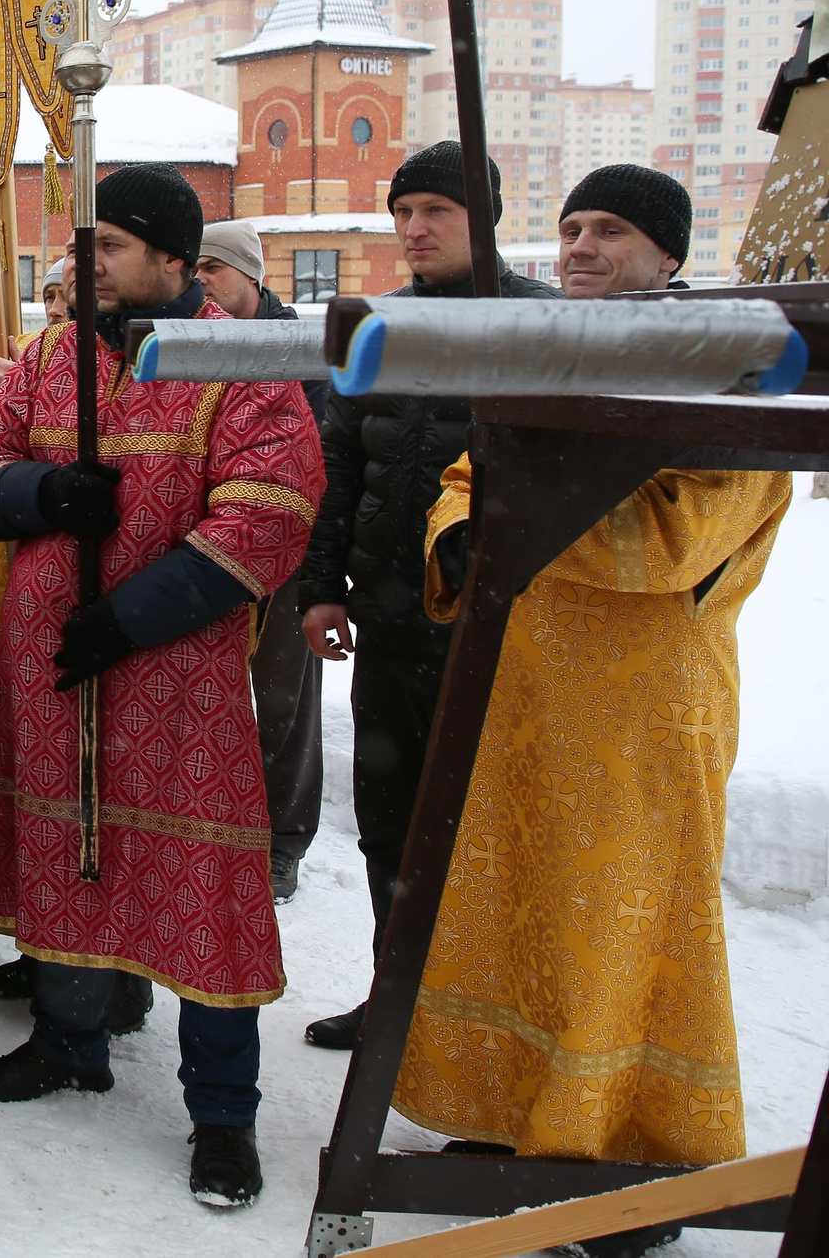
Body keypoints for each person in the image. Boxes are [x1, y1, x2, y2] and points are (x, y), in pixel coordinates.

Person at [392, 167, 784, 1251]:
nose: (577, 247)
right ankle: (502, 1117)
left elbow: (673, 542)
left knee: (616, 928)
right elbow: (474, 472)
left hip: (641, 713)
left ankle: (621, 1155)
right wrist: (460, 532)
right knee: (504, 905)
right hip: (519, 692)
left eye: (608, 230)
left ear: (667, 255)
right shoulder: (556, 354)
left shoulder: (735, 376)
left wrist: (512, 520)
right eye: (568, 228)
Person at [0, 163, 324, 1210]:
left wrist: (128, 617)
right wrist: (41, 490)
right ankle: (70, 1040)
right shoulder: (52, 354)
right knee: (69, 849)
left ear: (173, 259)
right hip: (53, 663)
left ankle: (221, 1112)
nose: (87, 267)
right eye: (82, 247)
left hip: (174, 672)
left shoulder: (241, 361)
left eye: (107, 247)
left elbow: (267, 510)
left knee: (199, 878)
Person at [294, 140, 560, 1052]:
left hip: (499, 630)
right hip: (390, 620)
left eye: (434, 212)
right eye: (403, 212)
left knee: (485, 829)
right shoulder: (380, 323)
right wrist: (323, 586)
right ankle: (397, 997)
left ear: (484, 216)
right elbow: (338, 461)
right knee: (389, 824)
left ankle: (485, 1026)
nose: (413, 229)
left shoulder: (542, 322)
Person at [193, 219, 324, 904]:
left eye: (216, 265)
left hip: (285, 554)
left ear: (254, 276)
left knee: (282, 700)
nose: (203, 277)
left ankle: (282, 841)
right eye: (196, 265)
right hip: (209, 541)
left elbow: (324, 452)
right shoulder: (191, 340)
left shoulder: (299, 347)